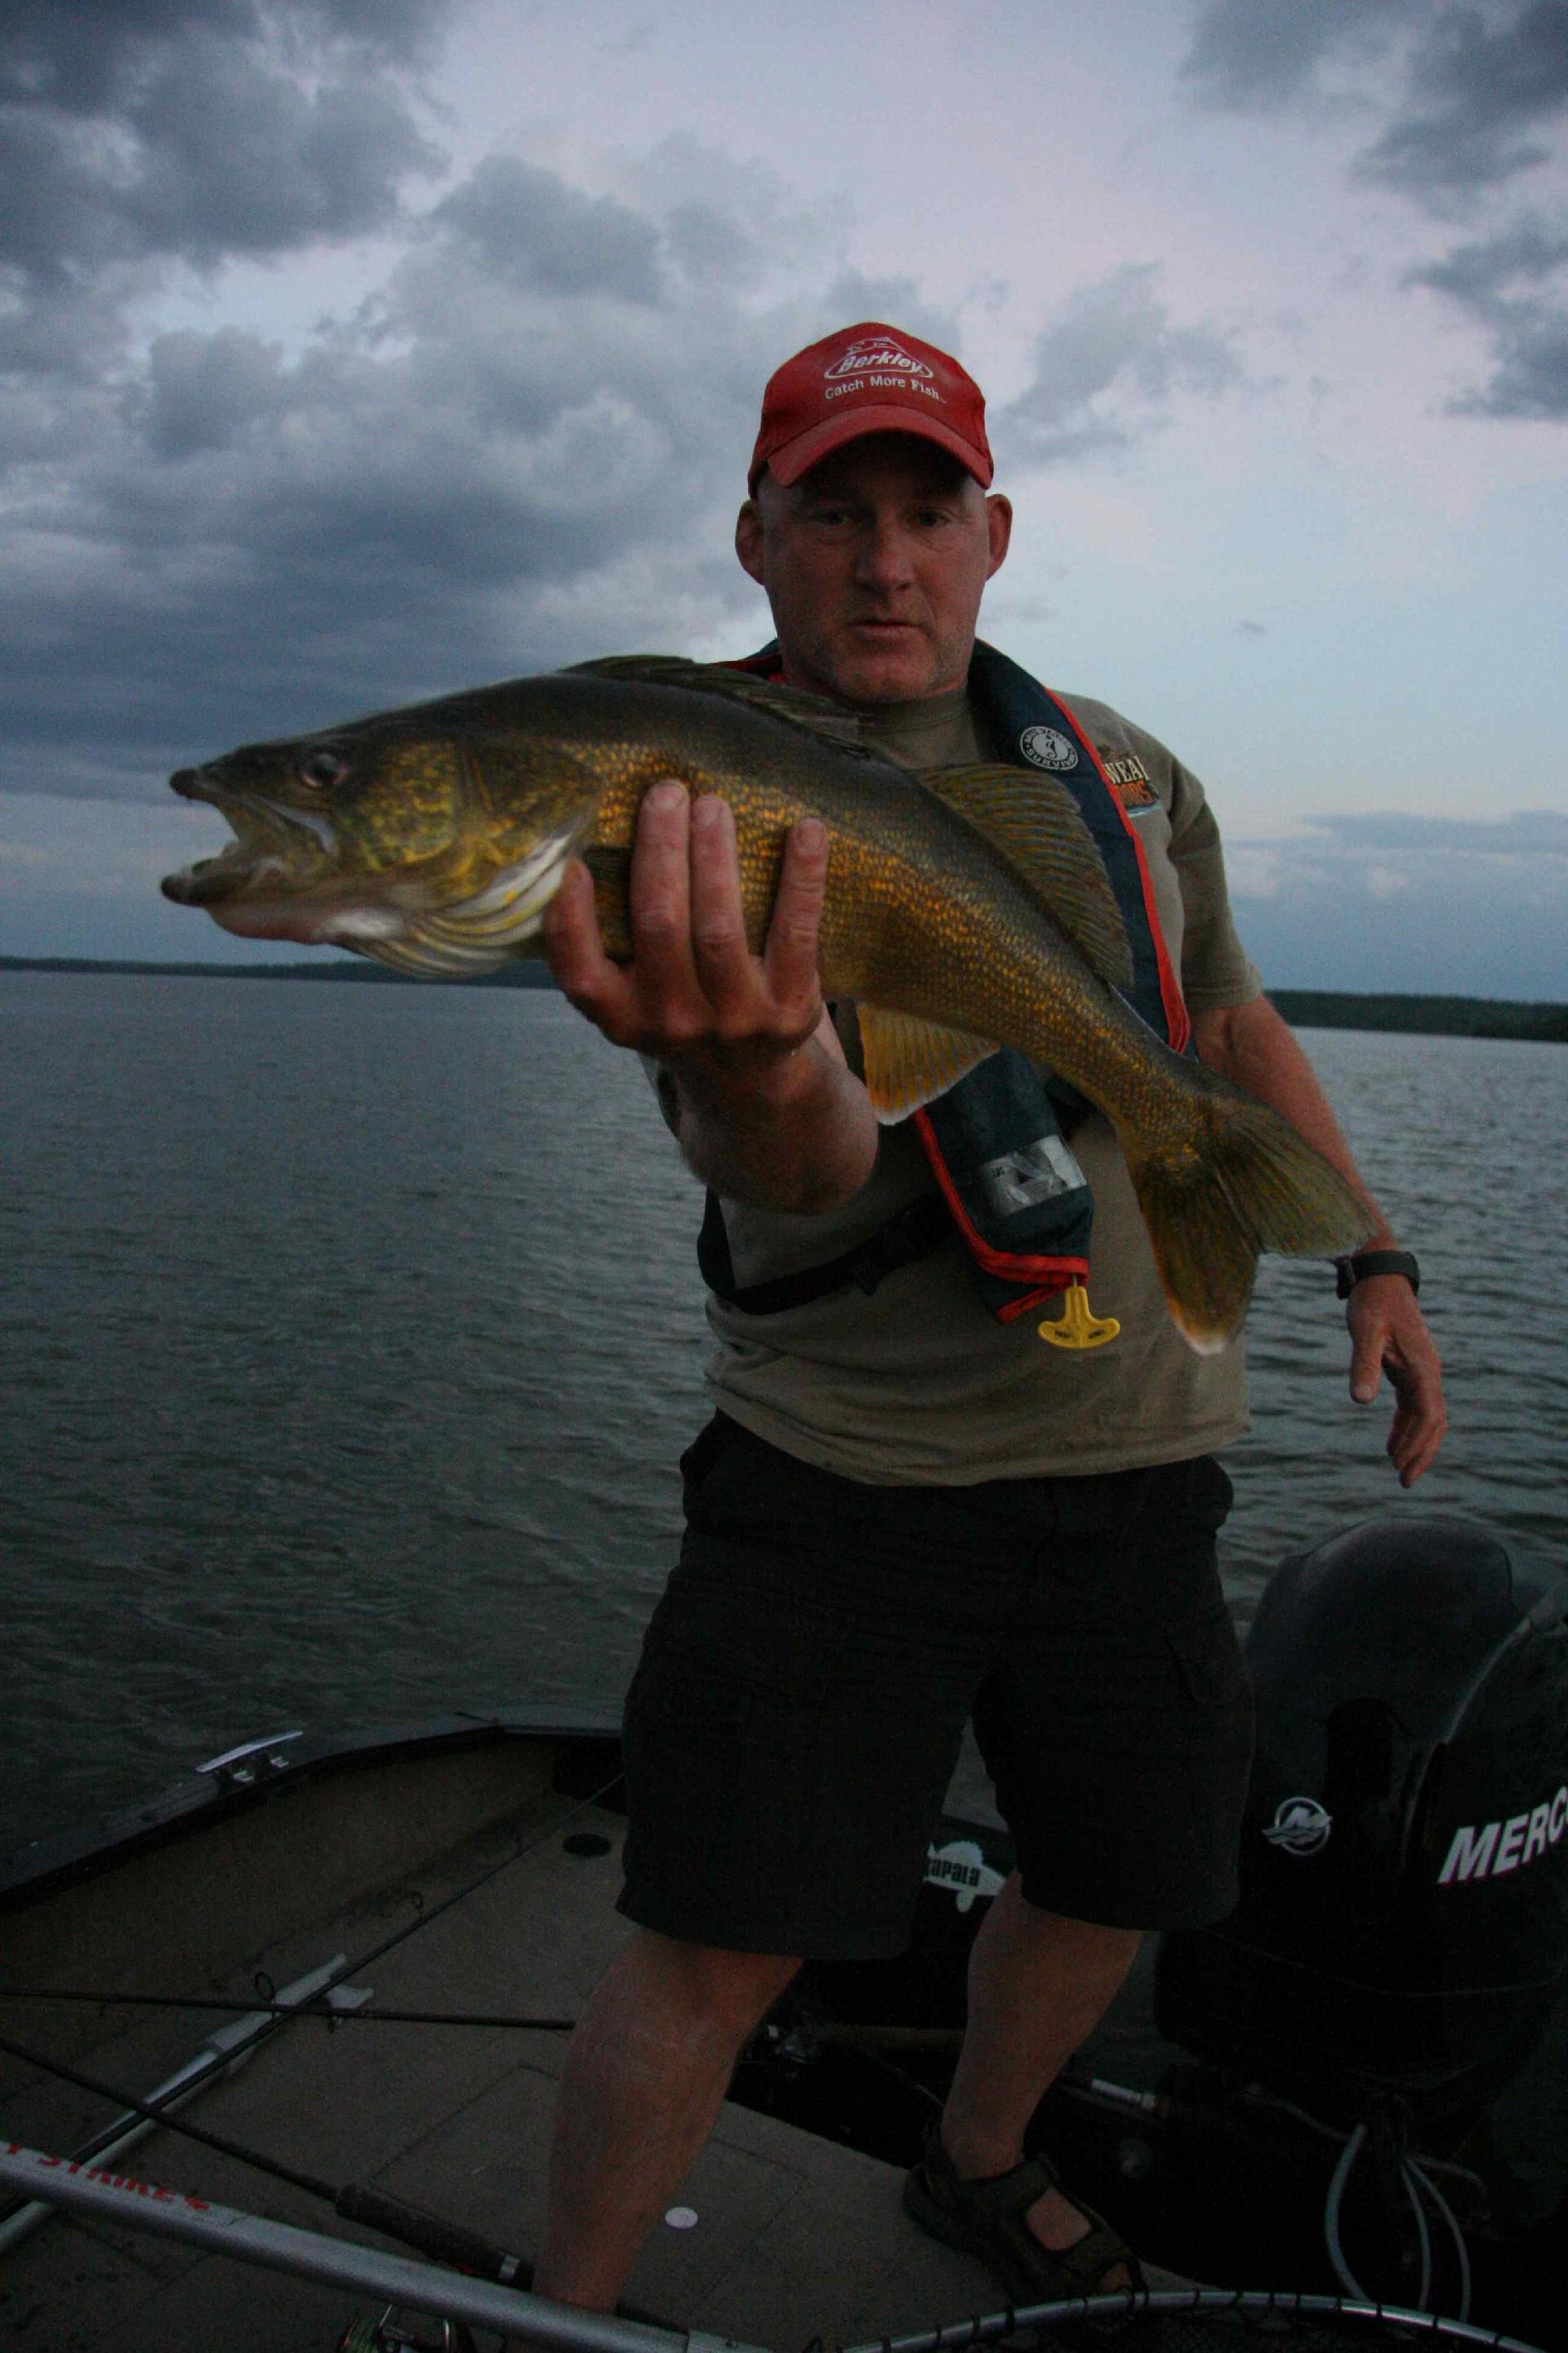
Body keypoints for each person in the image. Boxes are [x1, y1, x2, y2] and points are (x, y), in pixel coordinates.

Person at [534, 322, 1446, 2312]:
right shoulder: (686, 791)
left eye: (926, 511)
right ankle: (551, 2307)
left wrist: (1370, 1251)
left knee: (1127, 1874)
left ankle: (977, 2149)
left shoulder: (1115, 772)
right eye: (833, 514)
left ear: (993, 534)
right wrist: (772, 1058)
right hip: (839, 1480)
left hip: (1136, 1470)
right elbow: (790, 1172)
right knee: (716, 1936)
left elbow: (1220, 1021)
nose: (885, 559)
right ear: (755, 542)